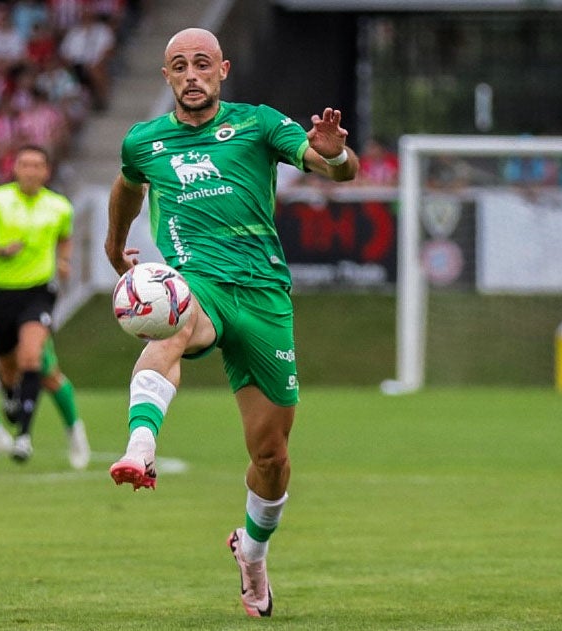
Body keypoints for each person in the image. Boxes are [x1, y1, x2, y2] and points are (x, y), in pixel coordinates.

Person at [103, 28, 358, 618]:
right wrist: (116, 249)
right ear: (166, 77)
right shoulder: (144, 141)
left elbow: (334, 170)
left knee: (271, 455)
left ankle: (253, 551)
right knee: (170, 322)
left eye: (200, 65)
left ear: (222, 69)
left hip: (266, 295)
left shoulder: (259, 124)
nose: (190, 75)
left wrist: (335, 152)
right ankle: (141, 448)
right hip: (198, 283)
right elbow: (126, 187)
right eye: (178, 67)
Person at [0, 163, 90, 469]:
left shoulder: (10, 218)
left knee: (47, 375)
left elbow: (18, 260)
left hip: (24, 305)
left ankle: (74, 429)